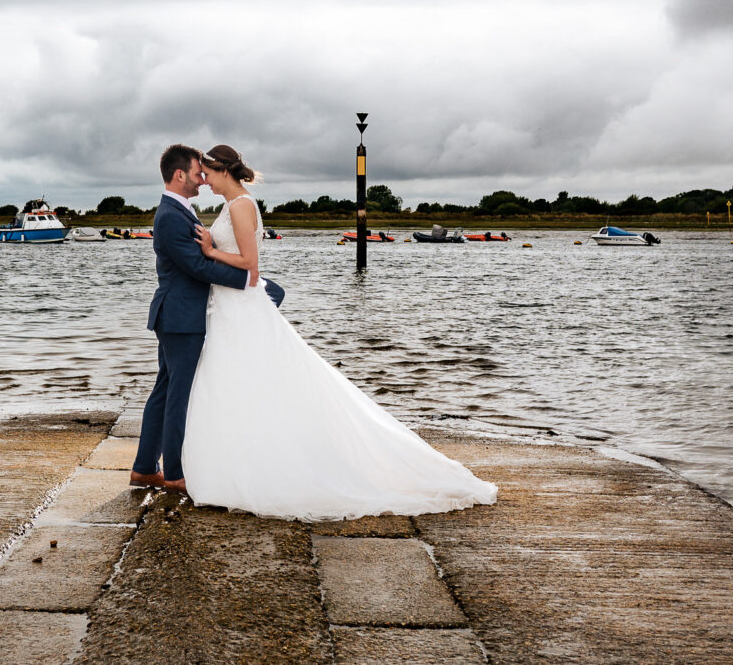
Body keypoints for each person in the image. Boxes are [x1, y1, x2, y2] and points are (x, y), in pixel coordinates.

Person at [179, 144, 497, 520]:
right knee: (236, 384)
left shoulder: (242, 206)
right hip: (229, 309)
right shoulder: (230, 206)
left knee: (251, 381)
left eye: (209, 175)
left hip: (242, 309)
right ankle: (236, 464)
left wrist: (210, 252)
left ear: (224, 172)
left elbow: (250, 265)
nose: (206, 181)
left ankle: (260, 471)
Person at [130, 145, 262, 495]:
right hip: (180, 317)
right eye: (197, 173)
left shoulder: (179, 210)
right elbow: (197, 266)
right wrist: (252, 282)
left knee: (164, 390)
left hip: (177, 315)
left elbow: (201, 260)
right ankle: (173, 473)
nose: (202, 180)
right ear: (179, 175)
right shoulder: (172, 215)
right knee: (177, 394)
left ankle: (145, 468)